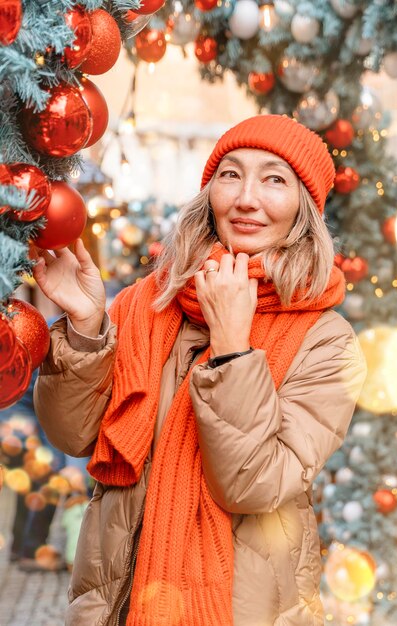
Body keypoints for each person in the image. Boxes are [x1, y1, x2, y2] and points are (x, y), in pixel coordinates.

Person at [32, 114, 367, 626]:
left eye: (274, 179)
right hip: (119, 602)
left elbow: (254, 486)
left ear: (305, 207)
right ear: (210, 191)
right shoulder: (149, 301)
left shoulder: (328, 341)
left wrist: (232, 347)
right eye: (231, 174)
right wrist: (85, 327)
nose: (246, 198)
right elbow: (74, 435)